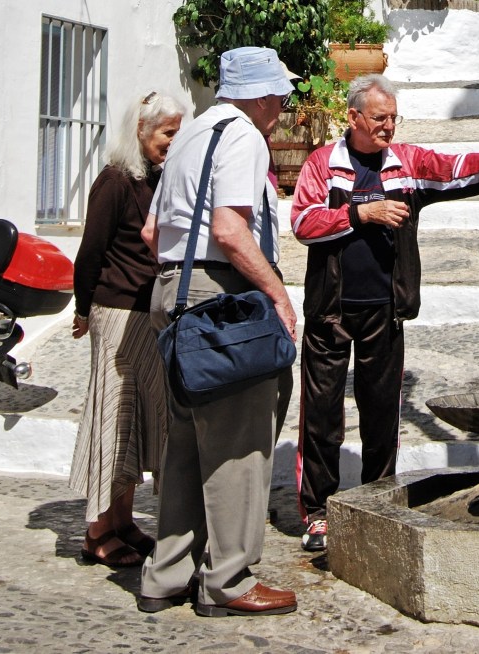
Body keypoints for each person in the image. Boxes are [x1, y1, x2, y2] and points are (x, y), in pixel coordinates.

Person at [291, 74, 479, 552]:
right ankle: (320, 512)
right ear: (354, 117)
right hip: (330, 312)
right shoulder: (323, 164)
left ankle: (374, 503)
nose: (389, 127)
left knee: (382, 415)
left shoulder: (405, 164)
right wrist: (360, 214)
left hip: (385, 313)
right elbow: (304, 222)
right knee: (321, 415)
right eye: (380, 118)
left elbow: (455, 170)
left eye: (393, 118)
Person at [137, 46, 299, 618]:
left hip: (173, 290)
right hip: (220, 295)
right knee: (239, 443)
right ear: (260, 93)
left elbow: (152, 232)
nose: (283, 103)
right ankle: (228, 579)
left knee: (184, 440)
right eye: (280, 92)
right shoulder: (244, 136)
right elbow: (231, 229)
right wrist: (278, 295)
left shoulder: (189, 134)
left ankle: (167, 573)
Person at [69, 91, 184, 568]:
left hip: (148, 316)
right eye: (167, 133)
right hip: (117, 315)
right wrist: (81, 310)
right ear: (141, 130)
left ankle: (123, 519)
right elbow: (90, 252)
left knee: (138, 418)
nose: (172, 143)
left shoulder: (157, 183)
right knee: (113, 417)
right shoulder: (114, 182)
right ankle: (97, 530)